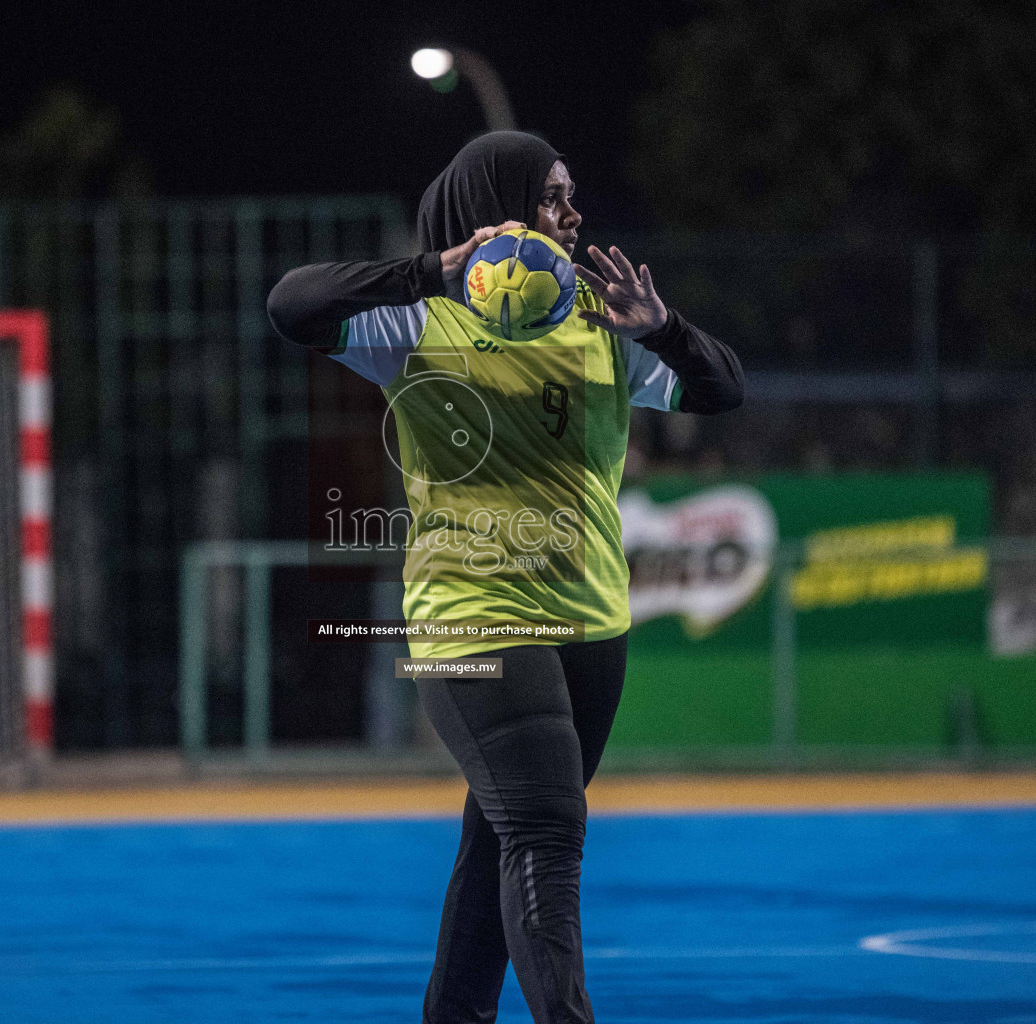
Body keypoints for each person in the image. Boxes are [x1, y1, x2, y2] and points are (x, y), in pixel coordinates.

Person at [267, 131, 742, 1024]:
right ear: (499, 207)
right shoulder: (419, 320)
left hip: (593, 625)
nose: (572, 214)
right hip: (470, 619)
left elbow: (723, 390)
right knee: (548, 832)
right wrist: (426, 271)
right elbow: (291, 305)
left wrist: (666, 329)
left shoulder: (600, 324)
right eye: (553, 197)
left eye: (571, 196)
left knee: (501, 847)